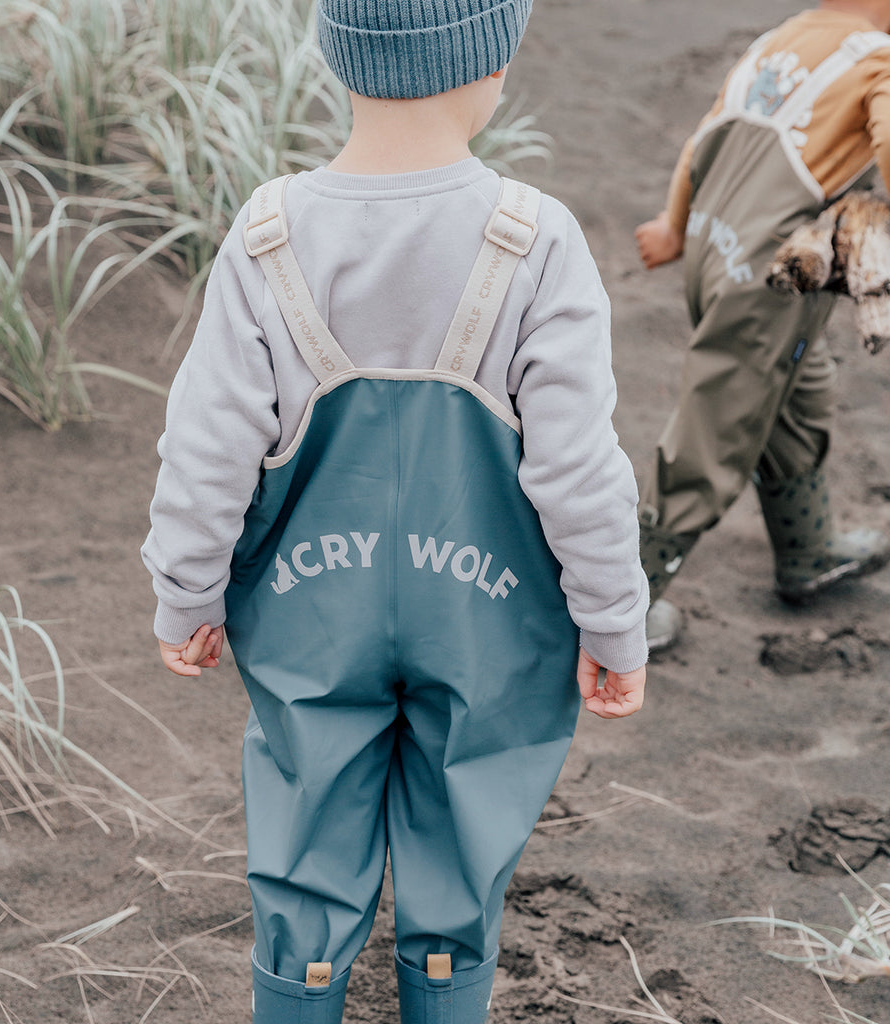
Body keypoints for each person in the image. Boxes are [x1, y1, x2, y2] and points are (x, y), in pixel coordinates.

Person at [142, 2, 648, 1021]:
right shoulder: (535, 237)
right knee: (465, 829)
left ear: (336, 53)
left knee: (304, 825)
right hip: (488, 616)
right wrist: (611, 617)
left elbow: (207, 443)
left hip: (307, 609)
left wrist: (184, 589)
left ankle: (301, 990)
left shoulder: (268, 232)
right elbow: (578, 465)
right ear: (494, 53)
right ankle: (445, 989)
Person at [635, 0, 890, 652]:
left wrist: (670, 226)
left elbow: (703, 140)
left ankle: (807, 548)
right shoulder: (878, 64)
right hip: (766, 283)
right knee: (711, 437)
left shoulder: (780, 41)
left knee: (800, 390)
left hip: (710, 248)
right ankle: (625, 602)